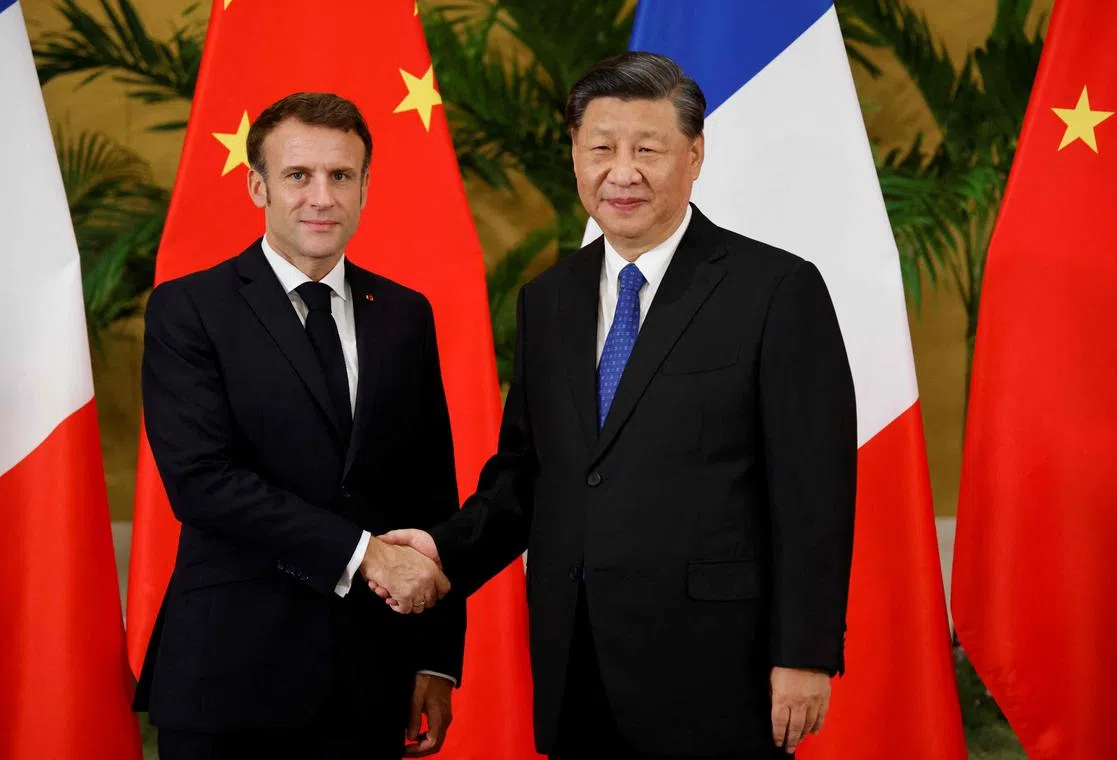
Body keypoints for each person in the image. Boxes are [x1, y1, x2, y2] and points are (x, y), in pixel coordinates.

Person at [377, 53, 857, 759]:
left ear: (694, 156)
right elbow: (528, 475)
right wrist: (446, 547)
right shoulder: (549, 300)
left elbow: (813, 491)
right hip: (578, 660)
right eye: (600, 147)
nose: (621, 171)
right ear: (575, 155)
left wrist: (806, 653)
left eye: (648, 149)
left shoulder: (776, 290)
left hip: (719, 670)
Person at [133, 92, 464, 760]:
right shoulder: (189, 309)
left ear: (367, 187)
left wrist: (435, 659)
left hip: (369, 682)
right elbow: (203, 483)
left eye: (341, 176)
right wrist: (363, 553)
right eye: (298, 176)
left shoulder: (404, 315)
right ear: (258, 185)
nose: (322, 196)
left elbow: (431, 496)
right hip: (228, 680)